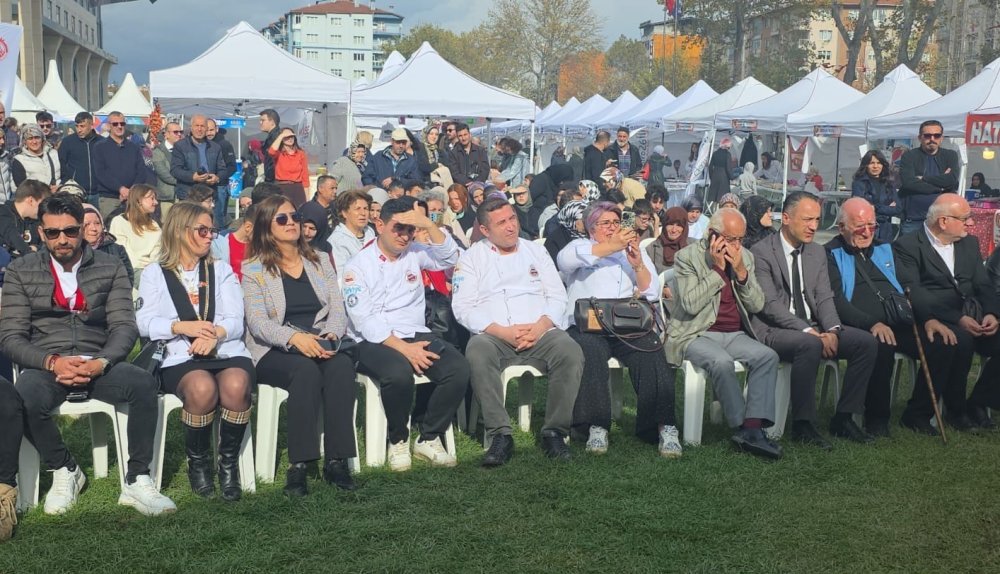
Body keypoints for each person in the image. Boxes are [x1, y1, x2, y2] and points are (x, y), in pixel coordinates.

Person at [2, 192, 176, 516]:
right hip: (47, 363)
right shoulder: (20, 271)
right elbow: (11, 336)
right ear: (41, 232)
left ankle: (138, 479)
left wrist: (101, 362)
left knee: (142, 384)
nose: (62, 239)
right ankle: (65, 468)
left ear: (82, 229)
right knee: (23, 398)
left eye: (70, 231)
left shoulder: (110, 267)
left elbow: (125, 326)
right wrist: (52, 361)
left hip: (98, 359)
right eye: (53, 233)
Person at [135, 202, 253, 501]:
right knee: (201, 388)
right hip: (180, 354)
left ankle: (227, 465)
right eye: (202, 230)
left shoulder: (220, 269)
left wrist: (215, 334)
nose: (209, 236)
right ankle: (198, 464)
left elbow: (234, 319)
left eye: (212, 230)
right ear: (180, 230)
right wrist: (180, 327)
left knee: (236, 384)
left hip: (225, 350)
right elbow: (144, 322)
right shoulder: (155, 274)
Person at [242, 195, 358, 495]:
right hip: (274, 348)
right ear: (267, 226)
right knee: (305, 371)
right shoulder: (254, 269)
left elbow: (337, 307)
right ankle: (300, 465)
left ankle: (337, 460)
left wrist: (331, 335)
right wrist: (294, 338)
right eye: (282, 219)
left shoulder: (319, 260)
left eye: (294, 216)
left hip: (320, 339)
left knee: (342, 367)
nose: (292, 223)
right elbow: (257, 322)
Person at [452, 197, 583, 465]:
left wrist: (540, 327)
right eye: (501, 223)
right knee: (476, 350)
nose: (511, 226)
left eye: (512, 218)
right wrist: (503, 332)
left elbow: (558, 296)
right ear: (485, 231)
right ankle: (500, 434)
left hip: (541, 331)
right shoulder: (471, 258)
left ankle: (554, 432)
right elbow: (463, 307)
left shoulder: (536, 251)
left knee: (570, 351)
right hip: (495, 334)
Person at [342, 198, 469, 471]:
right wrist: (405, 349)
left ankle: (429, 436)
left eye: (410, 230)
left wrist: (426, 223)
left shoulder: (415, 252)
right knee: (397, 373)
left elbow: (451, 257)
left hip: (414, 331)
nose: (404, 236)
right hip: (370, 340)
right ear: (379, 225)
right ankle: (397, 439)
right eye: (398, 228)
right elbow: (364, 320)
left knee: (458, 368)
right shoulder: (357, 265)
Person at [749, 191, 877, 448]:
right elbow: (769, 305)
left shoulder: (816, 252)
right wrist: (809, 331)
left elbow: (824, 297)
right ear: (785, 218)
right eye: (807, 219)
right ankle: (803, 424)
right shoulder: (761, 251)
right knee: (810, 344)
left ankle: (843, 418)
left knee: (865, 343)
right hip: (774, 328)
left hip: (815, 327)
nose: (813, 226)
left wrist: (832, 329)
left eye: (817, 220)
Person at [557, 201, 681, 457]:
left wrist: (636, 264)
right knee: (589, 352)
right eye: (605, 223)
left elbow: (651, 292)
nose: (613, 228)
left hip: (625, 321)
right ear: (591, 228)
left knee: (650, 349)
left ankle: (663, 425)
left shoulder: (633, 250)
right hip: (587, 323)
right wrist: (613, 245)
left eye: (616, 222)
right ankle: (596, 425)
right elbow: (564, 262)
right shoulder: (579, 247)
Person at [826, 197, 956, 437]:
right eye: (859, 226)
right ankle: (877, 418)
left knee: (941, 343)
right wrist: (871, 323)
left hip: (900, 321)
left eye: (872, 226)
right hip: (861, 324)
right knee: (882, 344)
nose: (867, 232)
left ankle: (917, 414)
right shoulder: (831, 254)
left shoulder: (885, 249)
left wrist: (928, 318)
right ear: (842, 226)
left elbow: (910, 286)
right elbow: (837, 302)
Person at [668, 208, 782, 459]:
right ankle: (743, 427)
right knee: (721, 362)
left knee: (767, 356)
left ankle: (752, 429)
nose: (736, 245)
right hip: (695, 332)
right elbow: (689, 304)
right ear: (712, 235)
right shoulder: (686, 257)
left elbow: (756, 305)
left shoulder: (745, 258)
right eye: (730, 239)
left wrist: (741, 274)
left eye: (740, 239)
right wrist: (718, 271)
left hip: (734, 333)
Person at [895, 194, 1000, 431]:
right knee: (956, 340)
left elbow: (983, 285)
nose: (971, 223)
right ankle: (949, 411)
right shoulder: (908, 246)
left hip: (972, 315)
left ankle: (980, 402)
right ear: (943, 221)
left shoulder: (968, 243)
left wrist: (992, 313)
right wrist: (957, 319)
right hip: (934, 317)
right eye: (965, 218)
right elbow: (916, 293)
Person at [898, 120, 960, 235]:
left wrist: (924, 178)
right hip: (914, 218)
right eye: (927, 135)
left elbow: (951, 180)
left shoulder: (950, 155)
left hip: (942, 219)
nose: (932, 139)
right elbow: (908, 182)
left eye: (937, 135)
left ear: (941, 138)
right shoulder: (909, 156)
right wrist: (940, 187)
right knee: (909, 252)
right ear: (920, 137)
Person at [92, 112, 152, 219]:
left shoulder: (134, 147)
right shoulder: (100, 147)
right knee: (110, 231)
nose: (119, 126)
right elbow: (101, 173)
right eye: (115, 124)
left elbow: (141, 171)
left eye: (122, 123)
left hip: (133, 198)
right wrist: (120, 189)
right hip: (110, 198)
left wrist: (131, 191)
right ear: (109, 126)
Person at [108, 184, 161, 287]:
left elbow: (157, 253)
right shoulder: (119, 222)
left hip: (152, 271)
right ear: (139, 200)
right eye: (152, 198)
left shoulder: (154, 225)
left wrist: (151, 270)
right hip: (130, 271)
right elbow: (123, 254)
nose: (156, 202)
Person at [851, 150, 899, 242]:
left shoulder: (889, 183)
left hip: (886, 229)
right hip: (866, 228)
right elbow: (861, 208)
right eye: (872, 163)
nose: (875, 166)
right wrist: (886, 208)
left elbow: (897, 208)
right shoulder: (859, 183)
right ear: (866, 165)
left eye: (878, 163)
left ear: (883, 165)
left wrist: (875, 207)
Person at [82, 203, 134, 285]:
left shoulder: (117, 250)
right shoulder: (73, 252)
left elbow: (127, 280)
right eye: (87, 224)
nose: (93, 228)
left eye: (97, 223)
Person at [646, 206, 688, 305]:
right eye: (670, 224)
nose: (674, 230)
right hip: (658, 303)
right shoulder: (651, 249)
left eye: (679, 225)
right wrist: (663, 287)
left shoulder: (692, 247)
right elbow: (647, 277)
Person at [57, 112, 102, 203]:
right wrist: (66, 181)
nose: (79, 130)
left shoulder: (102, 142)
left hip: (98, 193)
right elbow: (61, 163)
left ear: (91, 125)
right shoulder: (68, 142)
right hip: (75, 192)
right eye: (77, 126)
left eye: (82, 126)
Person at [328, 190, 375, 273]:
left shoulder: (370, 233)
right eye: (357, 209)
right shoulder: (337, 241)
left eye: (366, 208)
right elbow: (341, 275)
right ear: (344, 213)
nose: (363, 213)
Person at [0, 179, 48, 257]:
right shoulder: (3, 213)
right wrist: (28, 251)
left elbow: (43, 243)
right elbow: (12, 236)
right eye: (41, 204)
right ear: (31, 200)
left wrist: (37, 247)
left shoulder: (34, 221)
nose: (43, 209)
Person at [267, 127, 310, 208]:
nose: (290, 138)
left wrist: (307, 198)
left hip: (297, 188)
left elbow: (305, 176)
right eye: (286, 137)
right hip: (282, 187)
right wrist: (281, 136)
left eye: (292, 136)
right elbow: (271, 151)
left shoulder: (300, 154)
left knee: (299, 212)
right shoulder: (279, 154)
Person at [205, 119, 237, 226]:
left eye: (211, 130)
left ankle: (220, 239)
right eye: (207, 130)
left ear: (217, 129)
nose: (209, 133)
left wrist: (218, 177)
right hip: (204, 186)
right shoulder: (201, 144)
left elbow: (232, 167)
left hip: (220, 186)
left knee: (218, 218)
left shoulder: (224, 144)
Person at [211, 204, 254, 282]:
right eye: (263, 231)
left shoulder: (262, 247)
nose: (267, 235)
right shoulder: (221, 244)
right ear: (248, 227)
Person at [11, 124, 60, 190]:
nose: (34, 142)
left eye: (37, 137)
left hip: (57, 195)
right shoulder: (19, 160)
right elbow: (21, 186)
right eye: (30, 138)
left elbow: (63, 175)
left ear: (42, 138)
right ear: (25, 141)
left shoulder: (53, 154)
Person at [152, 121, 183, 219]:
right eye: (175, 132)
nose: (179, 134)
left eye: (180, 132)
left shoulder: (184, 150)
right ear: (166, 134)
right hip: (166, 197)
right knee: (166, 225)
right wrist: (183, 181)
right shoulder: (158, 151)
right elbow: (163, 173)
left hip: (181, 196)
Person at [545, 199, 587, 265]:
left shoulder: (590, 235)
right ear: (571, 219)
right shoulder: (555, 240)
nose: (586, 222)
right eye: (583, 220)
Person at [299, 175, 338, 245]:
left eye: (336, 188)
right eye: (332, 188)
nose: (335, 191)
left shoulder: (337, 208)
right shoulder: (308, 209)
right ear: (320, 189)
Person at [259, 109, 282, 183]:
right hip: (272, 178)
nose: (260, 123)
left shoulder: (276, 137)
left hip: (275, 179)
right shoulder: (272, 136)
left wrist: (269, 177)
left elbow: (274, 159)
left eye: (263, 120)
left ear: (272, 122)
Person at [707, 139, 732, 204]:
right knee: (723, 197)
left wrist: (711, 177)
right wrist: (731, 177)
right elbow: (728, 168)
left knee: (714, 197)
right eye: (729, 147)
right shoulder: (727, 154)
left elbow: (710, 167)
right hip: (724, 176)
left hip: (715, 175)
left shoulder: (715, 153)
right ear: (727, 146)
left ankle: (713, 210)